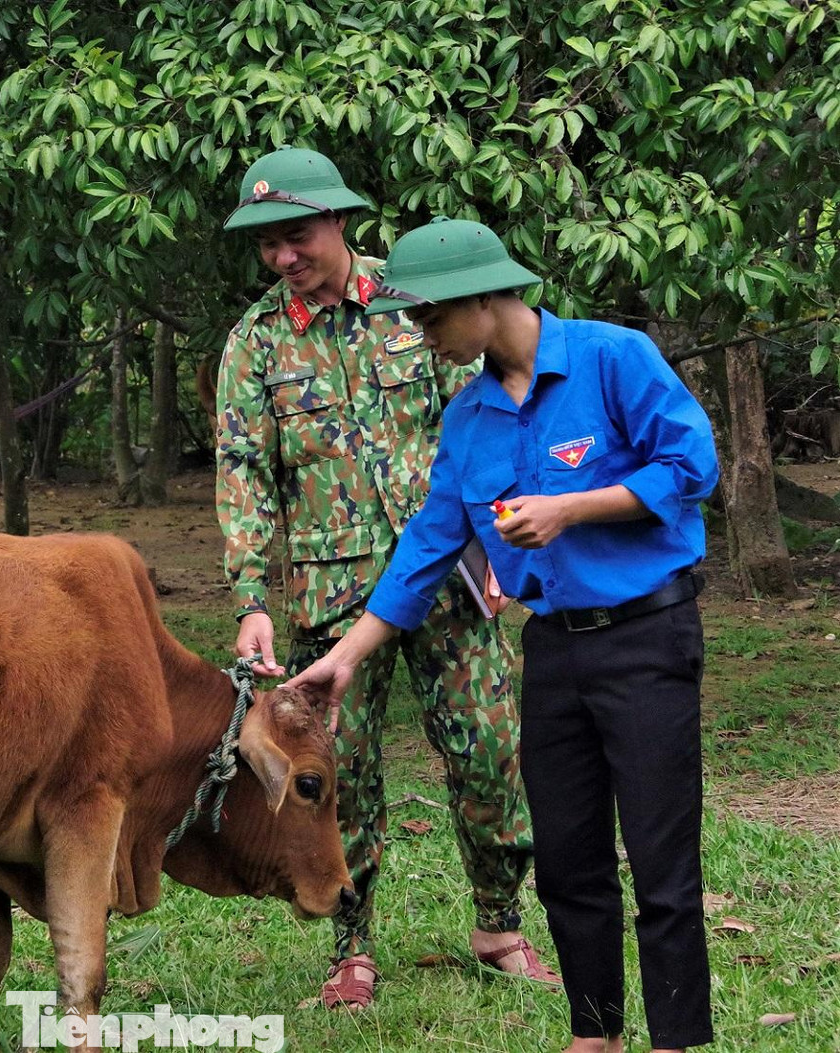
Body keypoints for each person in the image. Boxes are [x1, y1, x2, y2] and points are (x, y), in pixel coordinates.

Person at [288, 216, 717, 1052]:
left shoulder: (611, 358)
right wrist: (340, 661)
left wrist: (571, 507)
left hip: (646, 638)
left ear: (482, 298)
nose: (421, 335)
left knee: (663, 863)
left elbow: (690, 465)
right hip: (553, 650)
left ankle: (676, 1040)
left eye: (428, 317)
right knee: (567, 859)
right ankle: (594, 1034)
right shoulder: (469, 419)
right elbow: (425, 548)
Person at [213, 148, 557, 1010]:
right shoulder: (256, 344)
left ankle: (498, 922)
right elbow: (244, 473)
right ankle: (352, 947)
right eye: (267, 246)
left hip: (450, 580)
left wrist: (506, 547)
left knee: (489, 750)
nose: (283, 257)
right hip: (332, 599)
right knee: (343, 774)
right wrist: (253, 598)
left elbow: (489, 425)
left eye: (296, 237)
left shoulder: (417, 306)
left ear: (338, 222)